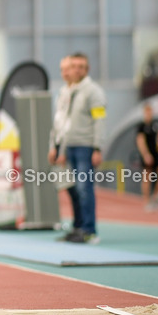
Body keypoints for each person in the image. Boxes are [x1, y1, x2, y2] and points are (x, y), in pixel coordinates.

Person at [61, 52, 106, 244]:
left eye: (81, 67)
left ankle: (89, 230)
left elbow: (99, 120)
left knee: (84, 189)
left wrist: (97, 147)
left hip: (85, 147)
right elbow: (63, 123)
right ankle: (78, 227)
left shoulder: (94, 92)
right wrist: (61, 148)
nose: (76, 70)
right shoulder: (69, 92)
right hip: (70, 147)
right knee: (74, 190)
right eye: (74, 66)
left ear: (87, 69)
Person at [48, 56, 82, 241]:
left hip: (72, 146)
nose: (65, 73)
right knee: (69, 189)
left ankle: (82, 227)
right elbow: (58, 122)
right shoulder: (62, 92)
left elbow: (71, 124)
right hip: (60, 144)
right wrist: (52, 146)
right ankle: (76, 226)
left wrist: (63, 151)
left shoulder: (79, 93)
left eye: (68, 69)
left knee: (78, 189)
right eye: (62, 70)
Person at [136, 103, 158, 211]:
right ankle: (146, 201)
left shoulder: (156, 125)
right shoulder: (141, 126)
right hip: (147, 154)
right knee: (147, 176)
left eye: (150, 112)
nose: (149, 114)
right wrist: (145, 154)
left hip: (156, 154)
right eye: (147, 112)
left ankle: (155, 196)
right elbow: (140, 141)